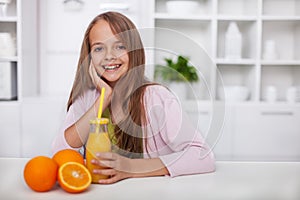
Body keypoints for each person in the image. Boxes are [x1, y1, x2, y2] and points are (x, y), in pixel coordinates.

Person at [52, 11, 215, 184]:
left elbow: (202, 156)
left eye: (120, 46)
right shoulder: (87, 98)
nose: (109, 56)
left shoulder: (157, 98)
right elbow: (60, 153)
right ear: (90, 58)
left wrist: (131, 168)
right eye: (99, 48)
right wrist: (104, 98)